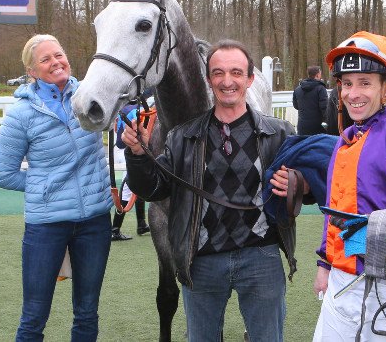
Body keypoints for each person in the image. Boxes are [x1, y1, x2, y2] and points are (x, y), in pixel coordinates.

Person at [274, 31, 386, 341]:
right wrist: (325, 264)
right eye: (347, 84)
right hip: (339, 285)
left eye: (365, 83)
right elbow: (336, 211)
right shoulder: (345, 140)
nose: (353, 93)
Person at [121, 39, 295, 341]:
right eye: (218, 73)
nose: (227, 81)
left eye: (236, 73)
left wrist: (297, 185)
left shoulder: (279, 133)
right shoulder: (181, 138)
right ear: (208, 79)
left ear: (250, 79)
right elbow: (153, 188)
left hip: (261, 259)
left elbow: (309, 190)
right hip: (202, 261)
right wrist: (138, 154)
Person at [0, 34, 113, 341]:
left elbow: (124, 116)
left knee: (87, 312)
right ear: (31, 71)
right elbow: (4, 175)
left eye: (58, 55)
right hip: (46, 224)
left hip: (94, 221)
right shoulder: (21, 114)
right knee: (34, 316)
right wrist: (47, 188)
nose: (56, 62)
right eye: (45, 59)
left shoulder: (89, 96)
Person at [111, 103, 150, 241]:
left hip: (123, 149)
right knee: (129, 189)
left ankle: (141, 224)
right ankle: (115, 229)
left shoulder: (124, 108)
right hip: (128, 150)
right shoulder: (135, 110)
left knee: (139, 186)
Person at [292, 65, 329, 135]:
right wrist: (329, 122)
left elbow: (296, 106)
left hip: (302, 126)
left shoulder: (297, 89)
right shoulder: (320, 88)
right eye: (320, 73)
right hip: (317, 127)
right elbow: (324, 108)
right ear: (317, 75)